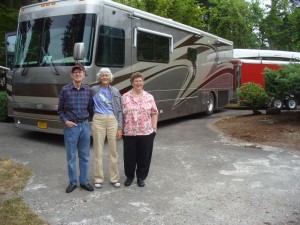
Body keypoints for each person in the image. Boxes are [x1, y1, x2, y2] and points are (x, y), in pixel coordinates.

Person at [58, 64, 94, 193]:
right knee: (71, 156)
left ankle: (84, 182)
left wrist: (88, 121)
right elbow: (60, 110)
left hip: (84, 126)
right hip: (71, 127)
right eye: (75, 72)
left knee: (85, 156)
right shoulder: (65, 90)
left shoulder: (88, 90)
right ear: (71, 75)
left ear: (84, 75)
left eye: (80, 72)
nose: (78, 74)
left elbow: (91, 109)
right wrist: (66, 121)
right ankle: (73, 182)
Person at [122, 72, 158, 187]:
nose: (138, 83)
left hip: (146, 132)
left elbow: (154, 113)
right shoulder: (125, 97)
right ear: (132, 83)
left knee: (144, 156)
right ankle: (129, 176)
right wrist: (120, 129)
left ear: (143, 82)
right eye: (136, 81)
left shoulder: (149, 97)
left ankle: (141, 177)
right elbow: (120, 114)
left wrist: (154, 128)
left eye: (140, 81)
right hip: (129, 133)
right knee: (129, 157)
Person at [91, 68, 123, 189]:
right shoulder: (94, 90)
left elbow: (119, 110)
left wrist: (120, 127)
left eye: (107, 75)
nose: (104, 77)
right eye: (102, 75)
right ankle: (98, 178)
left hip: (112, 120)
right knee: (98, 150)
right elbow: (89, 105)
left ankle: (114, 178)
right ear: (100, 77)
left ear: (110, 77)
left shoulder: (115, 91)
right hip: (98, 119)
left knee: (113, 151)